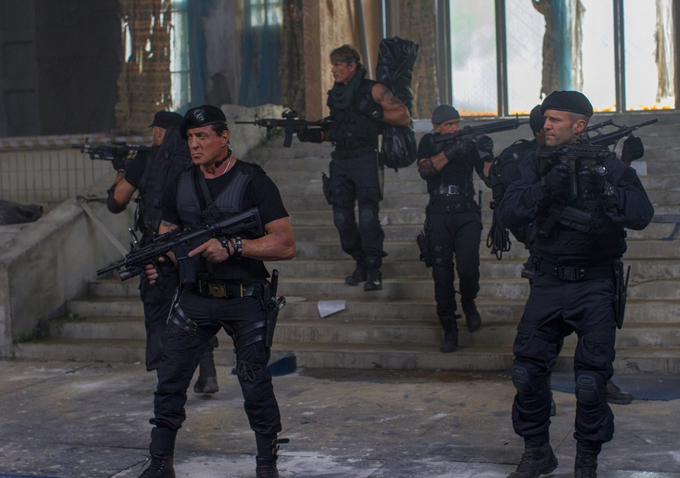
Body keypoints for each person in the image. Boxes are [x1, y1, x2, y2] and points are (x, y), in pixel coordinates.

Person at [498, 91, 654, 478]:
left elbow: (641, 214)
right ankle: (537, 452)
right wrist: (545, 187)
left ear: (579, 126)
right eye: (545, 118)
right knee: (526, 372)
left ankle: (587, 460)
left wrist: (605, 188)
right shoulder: (535, 162)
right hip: (548, 280)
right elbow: (509, 211)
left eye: (555, 120)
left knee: (590, 381)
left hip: (595, 284)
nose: (546, 125)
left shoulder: (606, 163)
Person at [138, 105, 295, 478]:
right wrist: (158, 261)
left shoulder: (254, 182)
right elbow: (167, 238)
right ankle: (160, 463)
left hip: (244, 298)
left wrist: (234, 247)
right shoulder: (180, 183)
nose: (194, 144)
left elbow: (285, 244)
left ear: (224, 137)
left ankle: (266, 464)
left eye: (202, 136)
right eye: (190, 138)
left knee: (254, 381)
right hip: (195, 298)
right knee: (170, 378)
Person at [107, 111, 219, 394]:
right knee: (196, 308)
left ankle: (166, 381)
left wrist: (122, 171)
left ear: (160, 132)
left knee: (157, 310)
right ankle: (208, 374)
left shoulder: (146, 160)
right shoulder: (198, 160)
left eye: (155, 130)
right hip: (196, 247)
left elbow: (116, 202)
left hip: (158, 247)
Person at [299, 44, 410, 291]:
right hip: (340, 160)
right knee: (341, 219)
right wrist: (316, 135)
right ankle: (360, 261)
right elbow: (339, 129)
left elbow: (403, 116)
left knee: (368, 217)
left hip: (365, 158)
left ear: (352, 66)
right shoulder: (336, 94)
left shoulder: (374, 89)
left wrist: (374, 112)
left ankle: (374, 268)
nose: (333, 70)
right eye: (333, 65)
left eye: (338, 65)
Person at [415, 105, 492, 353]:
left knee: (468, 268)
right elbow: (426, 170)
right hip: (439, 214)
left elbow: (489, 178)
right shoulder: (429, 142)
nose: (454, 128)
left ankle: (468, 301)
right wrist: (451, 151)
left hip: (466, 212)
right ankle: (449, 328)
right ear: (436, 127)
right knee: (442, 275)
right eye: (449, 125)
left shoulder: (467, 144)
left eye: (457, 123)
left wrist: (487, 154)